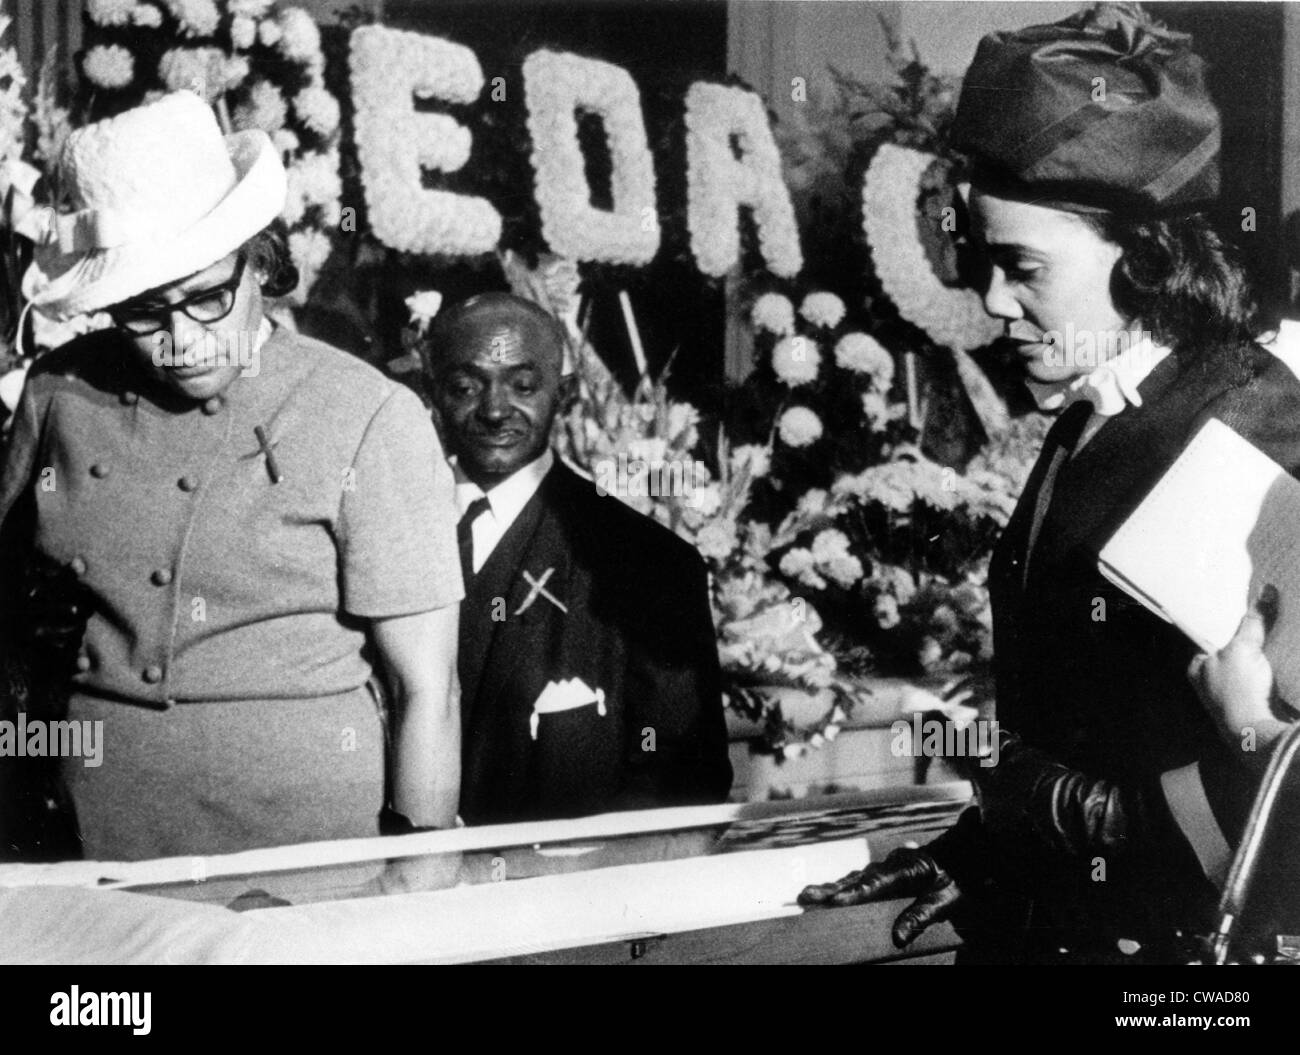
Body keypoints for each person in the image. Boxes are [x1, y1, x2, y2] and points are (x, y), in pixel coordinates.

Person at [799, 4, 1300, 962]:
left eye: (1022, 267)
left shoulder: (1259, 423)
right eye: (985, 264)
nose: (993, 302)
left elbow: (1281, 774)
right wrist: (986, 850)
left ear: (1146, 258)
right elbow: (1090, 713)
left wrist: (1094, 823)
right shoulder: (1096, 407)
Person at [0, 92, 463, 861]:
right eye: (145, 312)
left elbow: (428, 695)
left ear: (261, 260)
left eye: (210, 296)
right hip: (93, 844)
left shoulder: (367, 415)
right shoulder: (59, 395)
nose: (182, 340)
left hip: (304, 851)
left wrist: (417, 889)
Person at [423, 292, 732, 825]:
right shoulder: (388, 533)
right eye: (466, 387)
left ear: (563, 395)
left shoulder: (646, 564)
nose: (495, 410)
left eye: (523, 386)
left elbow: (682, 779)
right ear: (431, 394)